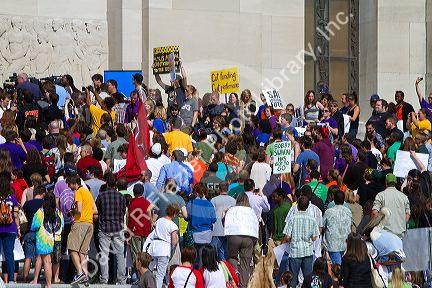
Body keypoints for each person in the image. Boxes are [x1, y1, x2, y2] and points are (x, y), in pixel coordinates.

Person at [66, 173, 97, 286]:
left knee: (72, 248)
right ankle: (85, 276)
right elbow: (95, 210)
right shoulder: (88, 193)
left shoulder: (78, 192)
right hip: (90, 224)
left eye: (69, 184)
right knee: (82, 252)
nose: (69, 187)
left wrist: (72, 212)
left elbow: (78, 210)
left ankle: (80, 273)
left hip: (80, 223)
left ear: (75, 183)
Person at [95, 173, 127, 284]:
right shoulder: (121, 196)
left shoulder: (101, 196)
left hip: (104, 229)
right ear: (116, 184)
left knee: (104, 255)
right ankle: (122, 279)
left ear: (107, 183)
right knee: (120, 254)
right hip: (118, 228)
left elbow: (96, 211)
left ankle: (104, 279)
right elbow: (123, 212)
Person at [283, 196, 320, 288]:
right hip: (308, 252)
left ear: (297, 205)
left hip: (295, 252)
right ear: (308, 206)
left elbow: (287, 237)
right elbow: (315, 237)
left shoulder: (292, 219)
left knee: (293, 278)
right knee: (308, 278)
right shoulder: (312, 219)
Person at [224, 193, 259, 287]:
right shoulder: (251, 211)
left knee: (232, 257)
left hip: (234, 236)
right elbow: (256, 226)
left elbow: (225, 222)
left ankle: (235, 277)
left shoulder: (232, 209)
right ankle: (243, 285)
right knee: (245, 263)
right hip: (249, 238)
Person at [30, 191, 64, 288]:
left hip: (44, 239)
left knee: (47, 262)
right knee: (55, 261)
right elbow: (62, 226)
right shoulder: (59, 212)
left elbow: (34, 226)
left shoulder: (40, 212)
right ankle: (54, 279)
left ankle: (48, 284)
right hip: (56, 238)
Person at [148, 204, 180, 288]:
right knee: (160, 274)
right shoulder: (173, 225)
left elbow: (154, 227)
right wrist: (174, 245)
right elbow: (174, 241)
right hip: (164, 249)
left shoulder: (159, 220)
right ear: (174, 214)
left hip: (154, 247)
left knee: (150, 269)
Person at [372, 173, 410, 238]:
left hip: (384, 234)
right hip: (400, 235)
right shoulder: (404, 197)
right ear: (396, 183)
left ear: (386, 182)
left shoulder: (380, 195)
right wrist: (400, 225)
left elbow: (374, 213)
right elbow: (407, 215)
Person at [186, 183, 216, 261]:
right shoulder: (209, 204)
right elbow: (213, 219)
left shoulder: (191, 203)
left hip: (195, 233)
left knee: (195, 257)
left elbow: (187, 218)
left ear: (196, 192)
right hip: (207, 234)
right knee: (204, 256)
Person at [322, 190, 352, 265]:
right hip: (345, 243)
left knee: (337, 268)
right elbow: (350, 226)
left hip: (332, 244)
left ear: (334, 199)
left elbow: (322, 226)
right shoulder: (348, 211)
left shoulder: (328, 212)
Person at [22, 185, 44, 283]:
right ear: (42, 194)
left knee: (28, 257)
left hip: (29, 232)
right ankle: (37, 278)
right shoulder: (44, 203)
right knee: (38, 258)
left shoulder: (27, 203)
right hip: (40, 233)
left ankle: (25, 279)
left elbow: (22, 215)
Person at [0, 176, 20, 283]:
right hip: (10, 229)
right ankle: (11, 279)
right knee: (9, 254)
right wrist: (18, 229)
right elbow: (16, 216)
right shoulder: (13, 199)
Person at [210, 182, 236, 260]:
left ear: (219, 189)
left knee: (214, 253)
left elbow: (212, 215)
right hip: (229, 229)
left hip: (216, 229)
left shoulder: (213, 200)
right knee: (225, 253)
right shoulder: (233, 200)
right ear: (227, 189)